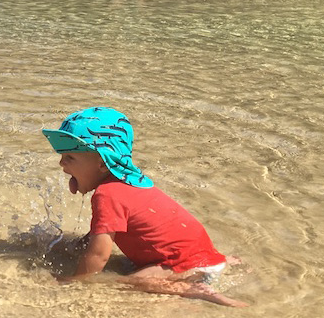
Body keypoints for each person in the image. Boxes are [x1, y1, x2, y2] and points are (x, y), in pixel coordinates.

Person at [43, 107, 247, 307]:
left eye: (70, 157)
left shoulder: (107, 194)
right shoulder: (132, 181)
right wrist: (78, 246)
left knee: (125, 282)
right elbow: (108, 231)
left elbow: (99, 255)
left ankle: (192, 289)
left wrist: (74, 282)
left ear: (103, 163)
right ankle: (218, 261)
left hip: (186, 265)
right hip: (201, 254)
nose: (62, 163)